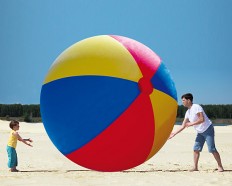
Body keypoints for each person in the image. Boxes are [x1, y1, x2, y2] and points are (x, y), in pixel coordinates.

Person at [169, 93, 224, 172]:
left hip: (208, 129)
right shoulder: (188, 112)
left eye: (183, 100)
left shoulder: (196, 107)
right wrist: (174, 133)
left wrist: (191, 124)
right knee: (196, 149)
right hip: (200, 132)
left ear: (189, 100)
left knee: (212, 149)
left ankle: (220, 166)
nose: (182, 102)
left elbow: (202, 119)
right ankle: (195, 167)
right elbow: (183, 125)